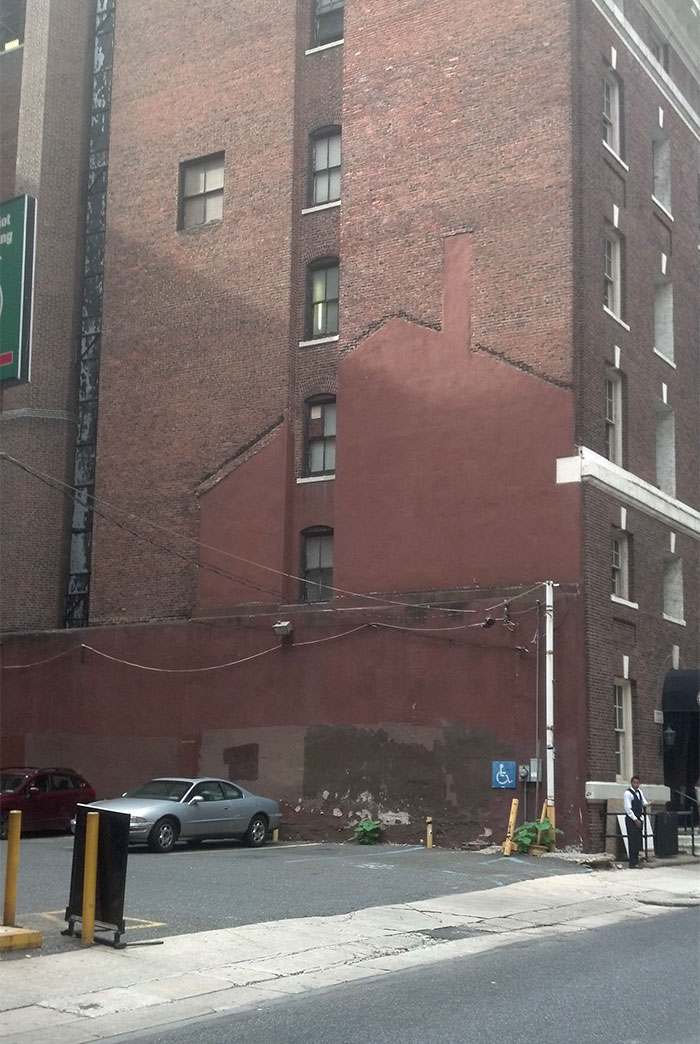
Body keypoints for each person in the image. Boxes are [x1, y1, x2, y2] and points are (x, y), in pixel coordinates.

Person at [623, 775, 650, 868]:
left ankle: (636, 860)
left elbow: (643, 802)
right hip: (631, 820)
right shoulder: (628, 793)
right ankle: (632, 862)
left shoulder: (639, 792)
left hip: (639, 818)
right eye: (634, 783)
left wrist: (648, 804)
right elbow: (628, 808)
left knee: (638, 840)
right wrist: (635, 819)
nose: (636, 785)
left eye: (638, 783)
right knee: (632, 840)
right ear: (631, 783)